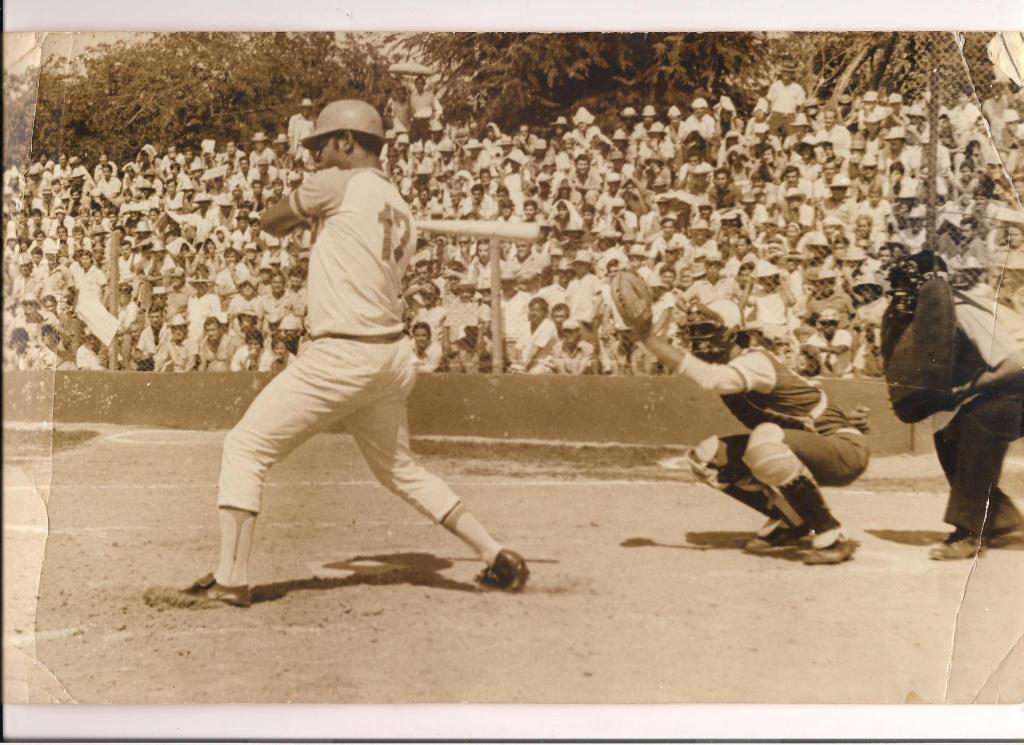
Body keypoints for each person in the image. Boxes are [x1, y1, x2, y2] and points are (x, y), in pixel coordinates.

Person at [183, 99, 528, 608]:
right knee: (400, 471)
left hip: (342, 354)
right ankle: (496, 553)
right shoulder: (399, 203)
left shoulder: (338, 184)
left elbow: (269, 221)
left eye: (323, 145)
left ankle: (230, 577)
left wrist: (308, 212)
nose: (317, 156)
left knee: (246, 448)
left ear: (347, 141)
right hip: (390, 358)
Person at [635, 300, 869, 564]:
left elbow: (712, 378)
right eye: (695, 332)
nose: (699, 340)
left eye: (705, 331)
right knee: (707, 457)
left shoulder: (754, 360)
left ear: (732, 333)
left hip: (843, 450)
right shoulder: (737, 365)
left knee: (764, 438)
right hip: (807, 444)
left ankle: (830, 534)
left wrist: (647, 338)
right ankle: (795, 521)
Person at [883, 252, 1024, 559]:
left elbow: (1016, 363)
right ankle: (998, 517)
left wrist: (963, 391)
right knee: (948, 433)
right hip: (1012, 384)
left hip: (1018, 376)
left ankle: (968, 533)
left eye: (909, 286)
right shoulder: (935, 317)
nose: (902, 295)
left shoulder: (961, 308)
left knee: (982, 421)